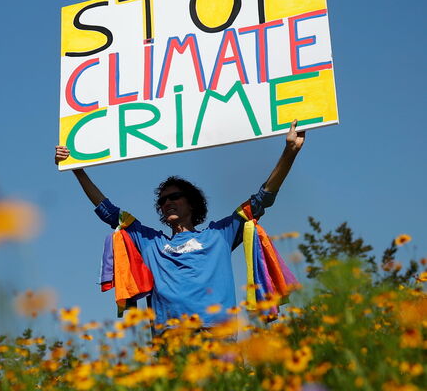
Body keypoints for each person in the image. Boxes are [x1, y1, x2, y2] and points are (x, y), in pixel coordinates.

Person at [54, 120, 305, 330]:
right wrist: (77, 168)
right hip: (170, 339)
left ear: (192, 202)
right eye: (162, 200)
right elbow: (109, 212)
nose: (167, 203)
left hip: (217, 337)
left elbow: (262, 199)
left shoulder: (219, 234)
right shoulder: (151, 242)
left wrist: (289, 152)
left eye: (174, 197)